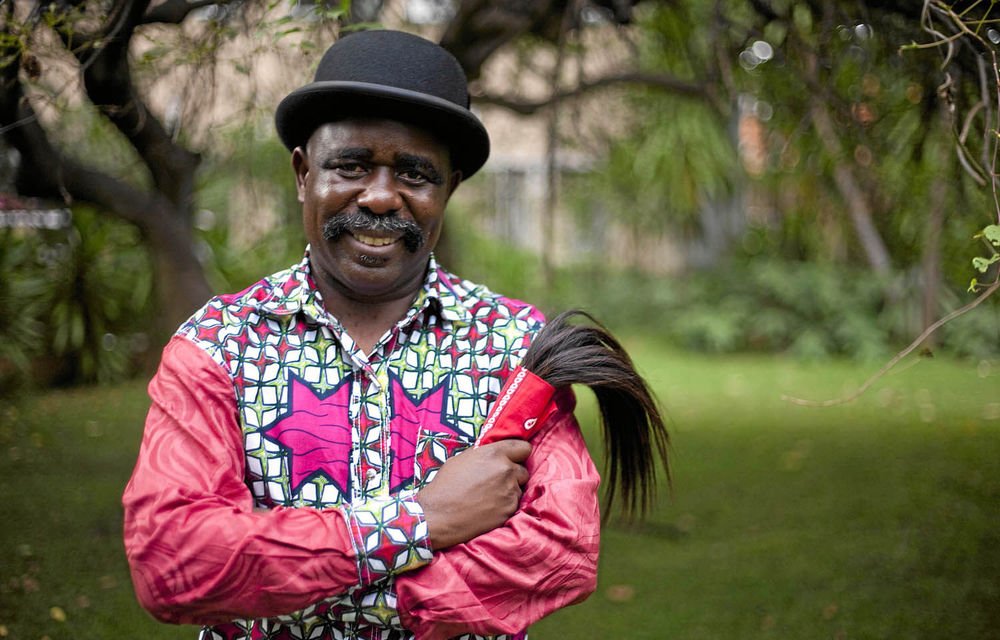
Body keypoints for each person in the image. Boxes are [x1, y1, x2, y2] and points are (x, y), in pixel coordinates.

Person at [122, 29, 600, 640]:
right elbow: (173, 560)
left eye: (415, 173)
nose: (379, 196)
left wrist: (342, 593)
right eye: (350, 165)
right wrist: (418, 523)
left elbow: (562, 548)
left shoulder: (514, 346)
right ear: (303, 173)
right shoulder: (219, 345)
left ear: (449, 188)